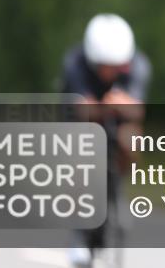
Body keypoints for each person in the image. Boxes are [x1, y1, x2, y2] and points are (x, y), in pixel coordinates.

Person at [60, 13, 151, 268]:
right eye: (105, 66)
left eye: (117, 66)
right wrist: (107, 107)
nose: (111, 72)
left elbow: (137, 109)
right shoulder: (74, 64)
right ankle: (79, 230)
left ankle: (118, 184)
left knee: (131, 138)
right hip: (83, 124)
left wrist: (119, 107)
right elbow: (80, 109)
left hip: (117, 122)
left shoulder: (139, 64)